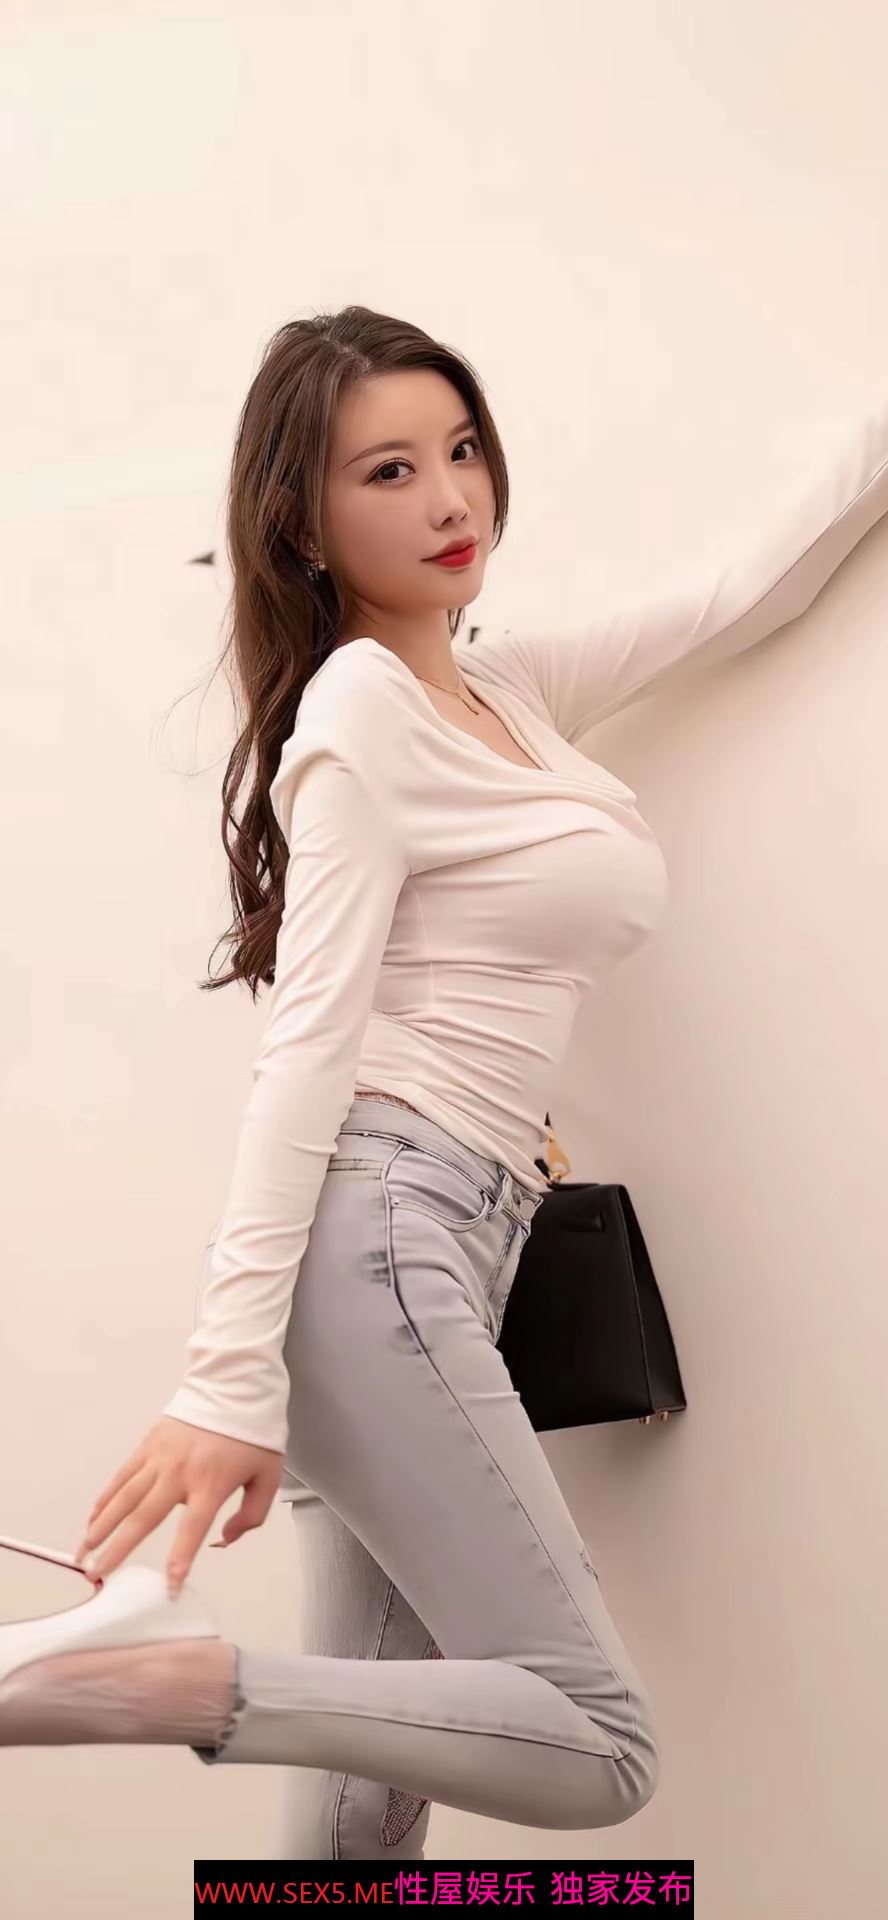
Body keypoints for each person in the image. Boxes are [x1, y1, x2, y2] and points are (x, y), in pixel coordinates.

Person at [3, 306, 887, 1861]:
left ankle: (166, 1692)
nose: (450, 499)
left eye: (461, 449)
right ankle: (158, 1682)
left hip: (436, 1253)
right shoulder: (360, 716)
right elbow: (309, 1049)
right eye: (389, 471)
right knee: (600, 1744)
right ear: (303, 522)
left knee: (361, 1825)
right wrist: (225, 1377)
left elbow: (741, 591)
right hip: (389, 1243)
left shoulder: (506, 692)